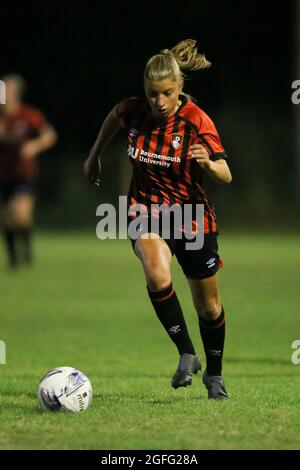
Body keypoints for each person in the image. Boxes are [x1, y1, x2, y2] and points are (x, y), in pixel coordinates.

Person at [84, 39, 232, 399]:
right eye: (153, 94)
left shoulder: (197, 120)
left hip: (192, 217)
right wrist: (94, 157)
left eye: (167, 93)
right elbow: (111, 121)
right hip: (146, 211)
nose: (160, 102)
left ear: (180, 88)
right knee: (156, 272)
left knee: (208, 307)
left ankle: (214, 375)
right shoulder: (131, 112)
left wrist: (210, 165)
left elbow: (226, 172)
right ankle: (185, 352)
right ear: (145, 91)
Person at [0, 74, 57, 268]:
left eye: (6, 89)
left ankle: (27, 252)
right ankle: (13, 259)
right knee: (7, 219)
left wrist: (33, 146)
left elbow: (50, 135)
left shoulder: (28, 115)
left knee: (21, 213)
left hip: (24, 174)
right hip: (4, 175)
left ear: (15, 93)